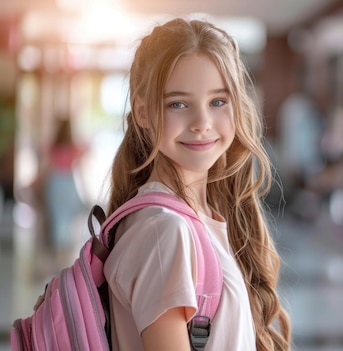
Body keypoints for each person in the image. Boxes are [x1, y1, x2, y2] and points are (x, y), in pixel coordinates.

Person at [102, 18, 291, 350]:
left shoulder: (190, 220)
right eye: (178, 104)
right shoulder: (166, 231)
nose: (202, 123)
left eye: (217, 101)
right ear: (144, 114)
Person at [41, 117, 86, 267]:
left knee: (57, 218)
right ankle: (63, 257)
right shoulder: (73, 146)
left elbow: (47, 168)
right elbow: (81, 162)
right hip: (68, 182)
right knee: (67, 218)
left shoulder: (54, 146)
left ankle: (58, 256)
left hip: (55, 183)